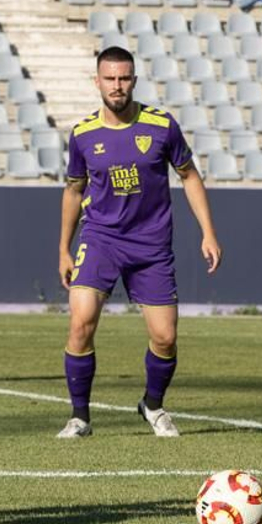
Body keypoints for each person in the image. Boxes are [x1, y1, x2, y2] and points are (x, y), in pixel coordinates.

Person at [56, 47, 221, 440]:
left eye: (124, 78)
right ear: (96, 81)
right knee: (81, 322)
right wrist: (63, 247)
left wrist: (208, 231)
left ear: (134, 80)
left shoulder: (161, 125)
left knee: (165, 337)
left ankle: (153, 404)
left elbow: (190, 176)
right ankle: (80, 417)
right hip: (100, 239)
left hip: (151, 245)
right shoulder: (82, 135)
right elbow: (73, 191)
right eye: (110, 79)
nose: (117, 86)